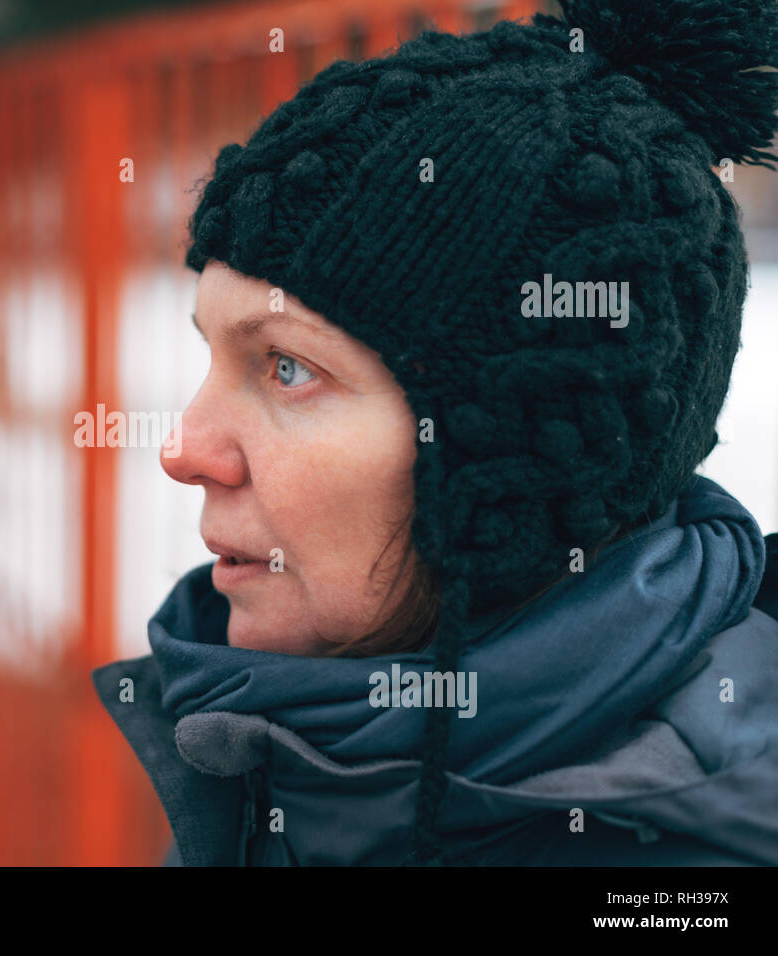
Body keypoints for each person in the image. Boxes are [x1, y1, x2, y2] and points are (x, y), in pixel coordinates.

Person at [90, 0, 778, 865]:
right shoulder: (277, 734)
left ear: (510, 468)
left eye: (287, 368)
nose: (185, 450)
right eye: (214, 355)